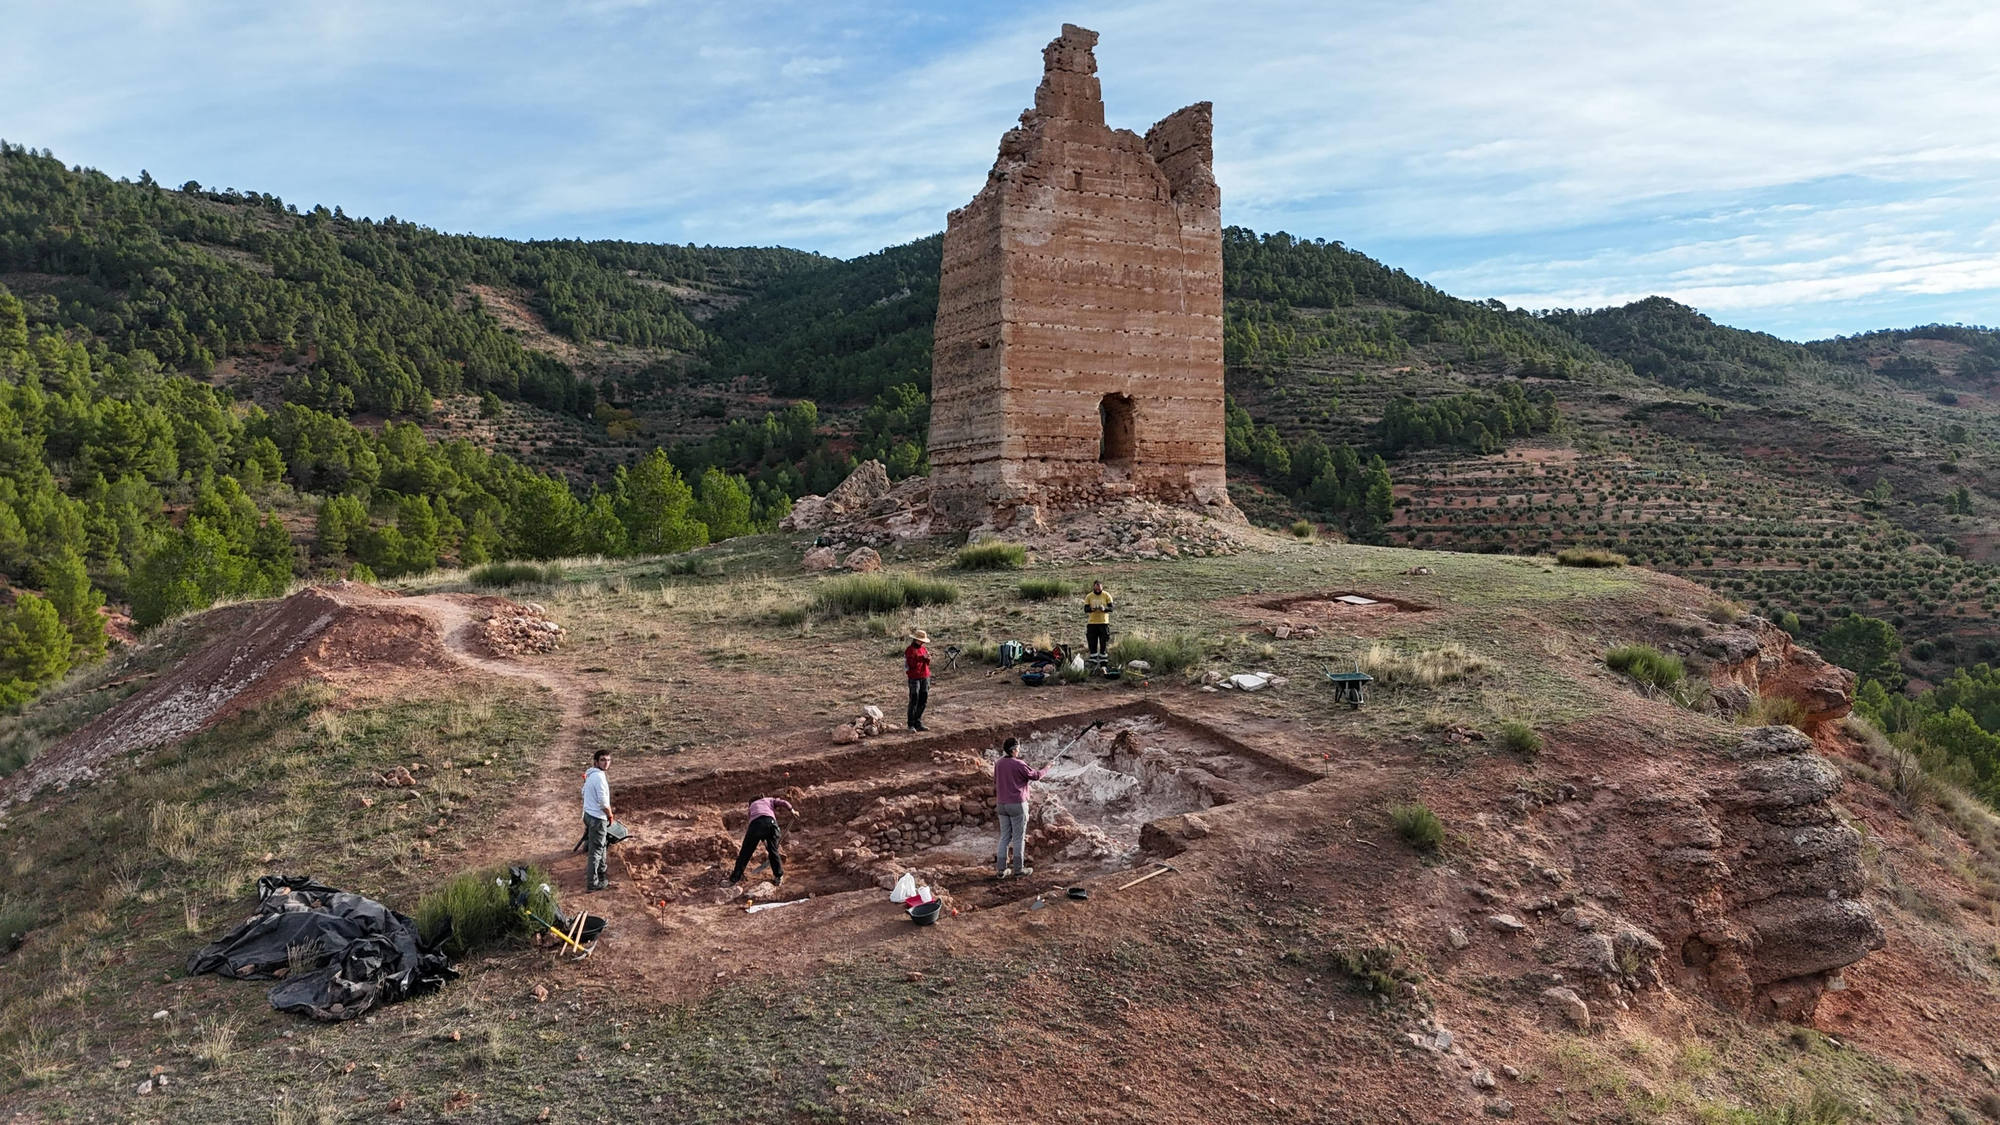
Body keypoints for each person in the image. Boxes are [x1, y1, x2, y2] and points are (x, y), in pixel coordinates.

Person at [993, 738, 1045, 878]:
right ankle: (1018, 869)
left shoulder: (998, 763)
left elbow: (996, 781)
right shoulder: (1019, 764)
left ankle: (1001, 869)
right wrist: (1048, 768)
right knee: (1018, 838)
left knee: (1004, 837)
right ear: (1014, 749)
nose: (1019, 750)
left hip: (1002, 804)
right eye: (1018, 748)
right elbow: (1036, 775)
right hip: (1017, 804)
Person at [729, 795, 796, 885]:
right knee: (773, 851)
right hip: (770, 824)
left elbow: (754, 823)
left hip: (755, 826)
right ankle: (778, 877)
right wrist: (792, 810)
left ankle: (734, 879)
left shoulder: (751, 807)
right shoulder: (769, 800)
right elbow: (784, 803)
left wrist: (763, 839)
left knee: (745, 853)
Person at [581, 750, 614, 893]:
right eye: (602, 760)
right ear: (595, 762)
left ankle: (602, 870)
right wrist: (610, 814)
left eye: (608, 760)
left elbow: (583, 792)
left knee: (600, 844)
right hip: (597, 819)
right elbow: (602, 801)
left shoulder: (590, 774)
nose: (606, 763)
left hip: (587, 815)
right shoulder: (599, 778)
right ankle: (592, 883)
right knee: (595, 851)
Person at [905, 630, 932, 732]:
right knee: (914, 700)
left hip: (925, 676)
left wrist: (927, 658)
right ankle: (911, 724)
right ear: (916, 639)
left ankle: (918, 722)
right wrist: (922, 658)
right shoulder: (910, 650)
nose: (923, 642)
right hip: (914, 678)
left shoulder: (923, 649)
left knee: (923, 700)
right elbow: (911, 664)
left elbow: (926, 663)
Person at [1083, 581, 1115, 656]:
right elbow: (1085, 609)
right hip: (1092, 623)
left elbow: (1111, 608)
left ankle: (1103, 658)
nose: (1098, 590)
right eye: (1096, 589)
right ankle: (1093, 658)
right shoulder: (1089, 596)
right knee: (1092, 642)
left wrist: (1104, 609)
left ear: (1102, 587)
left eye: (1099, 589)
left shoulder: (1107, 595)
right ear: (1094, 587)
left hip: (1103, 623)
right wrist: (1091, 609)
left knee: (1104, 642)